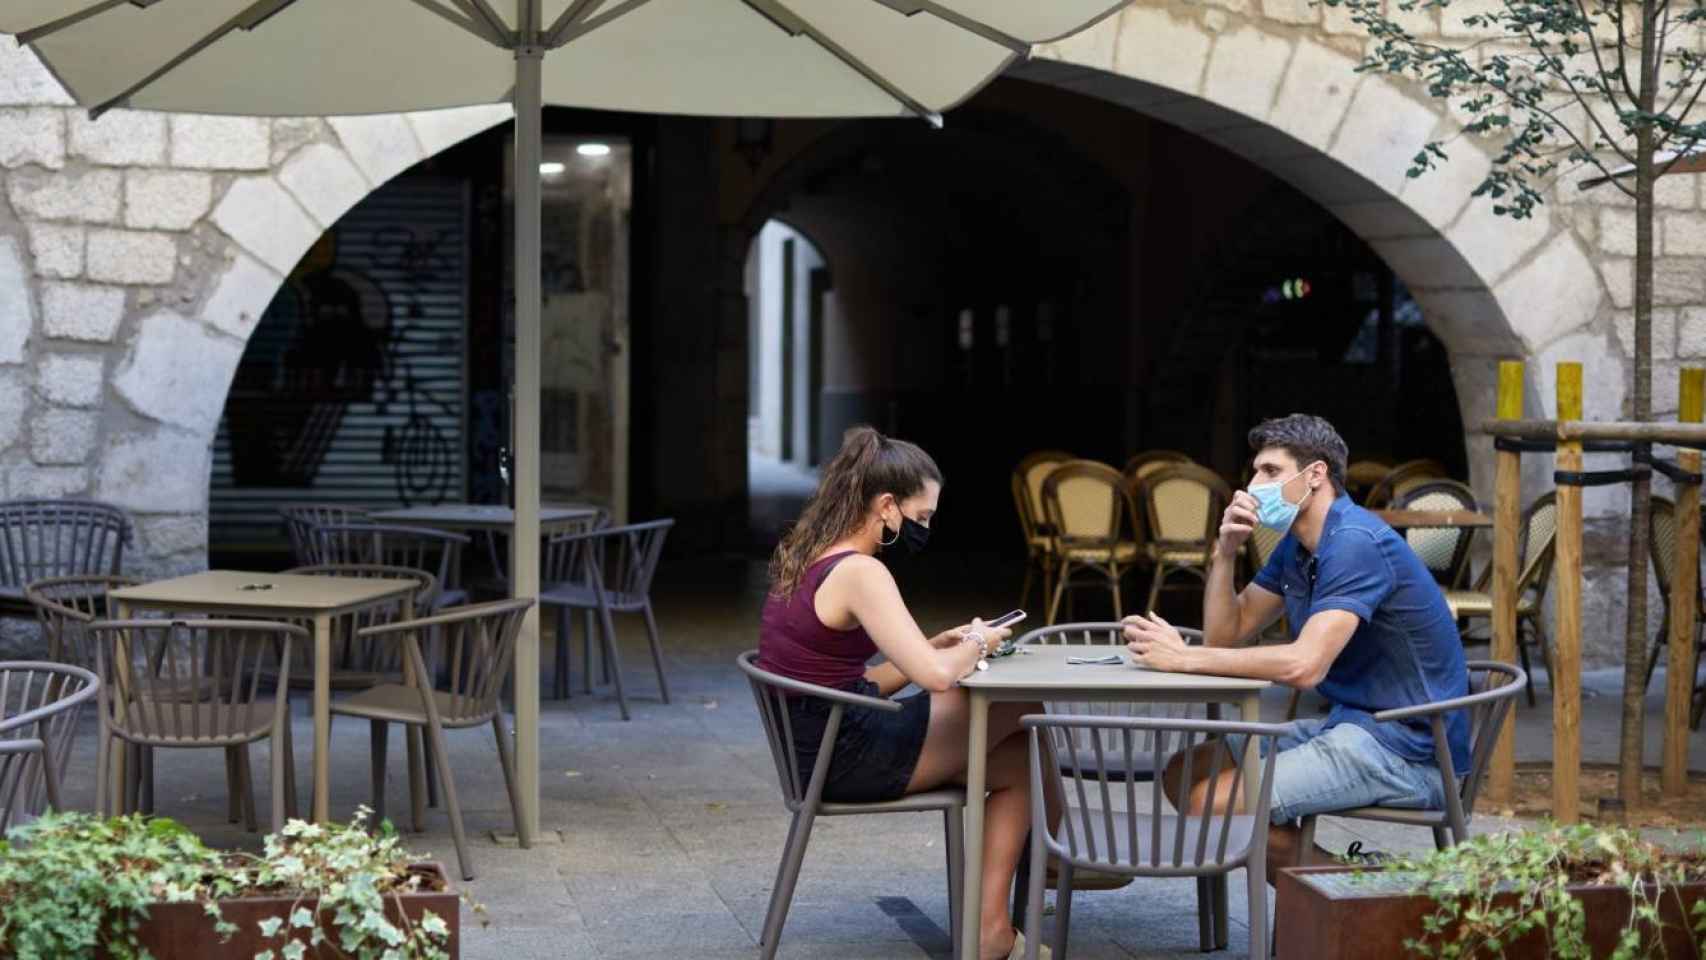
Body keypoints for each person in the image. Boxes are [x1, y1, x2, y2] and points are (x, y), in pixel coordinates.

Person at [1121, 414, 1470, 878]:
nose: (1253, 484)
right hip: (1354, 726)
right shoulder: (1298, 545)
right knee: (1185, 772)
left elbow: (1306, 666)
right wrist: (1225, 552)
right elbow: (1227, 633)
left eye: (1269, 471)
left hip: (1412, 751)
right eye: (1255, 471)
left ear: (1317, 474)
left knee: (1213, 804)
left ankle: (1358, 899)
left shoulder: (1353, 542)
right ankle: (1337, 891)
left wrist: (1182, 656)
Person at [758, 425, 1058, 960]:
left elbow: (861, 679)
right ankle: (1057, 860)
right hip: (842, 755)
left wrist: (931, 645)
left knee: (1020, 758)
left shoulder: (808, 554)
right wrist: (975, 640)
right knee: (1022, 707)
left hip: (818, 744)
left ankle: (994, 925)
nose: (925, 528)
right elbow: (937, 678)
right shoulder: (861, 571)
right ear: (887, 506)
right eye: (921, 517)